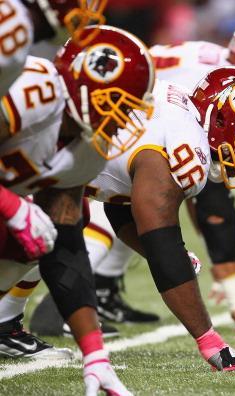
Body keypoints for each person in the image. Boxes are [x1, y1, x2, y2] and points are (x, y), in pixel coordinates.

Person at [68, 19, 235, 335]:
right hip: (98, 124)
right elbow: (212, 205)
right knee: (120, 196)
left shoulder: (217, 71)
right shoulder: (219, 90)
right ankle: (70, 301)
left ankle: (102, 290)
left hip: (123, 126)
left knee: (133, 196)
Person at [85, 64, 235, 371]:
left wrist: (166, 253)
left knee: (38, 239)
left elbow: (118, 203)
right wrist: (210, 340)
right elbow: (158, 235)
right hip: (33, 151)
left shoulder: (174, 100)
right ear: (221, 118)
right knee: (43, 235)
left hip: (46, 153)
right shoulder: (189, 148)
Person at [0, 25, 157, 394]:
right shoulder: (29, 90)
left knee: (50, 229)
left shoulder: (88, 149)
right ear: (84, 85)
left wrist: (94, 355)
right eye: (117, 103)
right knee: (25, 216)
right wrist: (12, 206)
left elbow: (67, 248)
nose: (122, 120)